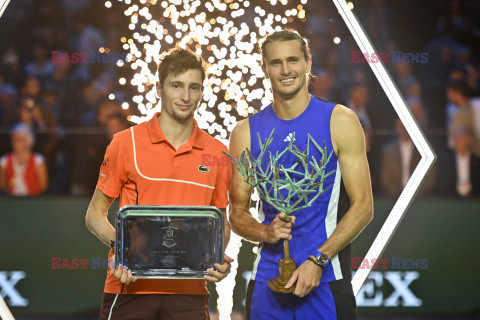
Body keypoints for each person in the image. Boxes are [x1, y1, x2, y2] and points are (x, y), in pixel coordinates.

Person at [229, 30, 373, 319]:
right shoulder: (245, 132)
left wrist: (318, 259)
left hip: (326, 281)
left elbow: (364, 207)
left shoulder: (341, 121)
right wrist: (264, 232)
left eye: (293, 60)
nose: (285, 70)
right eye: (276, 62)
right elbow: (237, 213)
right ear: (264, 68)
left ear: (308, 62)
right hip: (267, 284)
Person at [85, 48, 233, 320]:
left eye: (194, 87)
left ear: (202, 91)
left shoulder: (218, 153)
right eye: (176, 86)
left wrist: (216, 258)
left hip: (189, 292)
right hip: (130, 289)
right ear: (159, 88)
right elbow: (94, 214)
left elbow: (220, 222)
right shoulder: (124, 143)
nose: (186, 97)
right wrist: (123, 251)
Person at [0, 123, 48, 195]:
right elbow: (2, 185)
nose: (15, 142)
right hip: (11, 200)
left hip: (32, 200)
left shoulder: (38, 160)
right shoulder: (4, 160)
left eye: (19, 139)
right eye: (14, 139)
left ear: (28, 141)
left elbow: (43, 186)